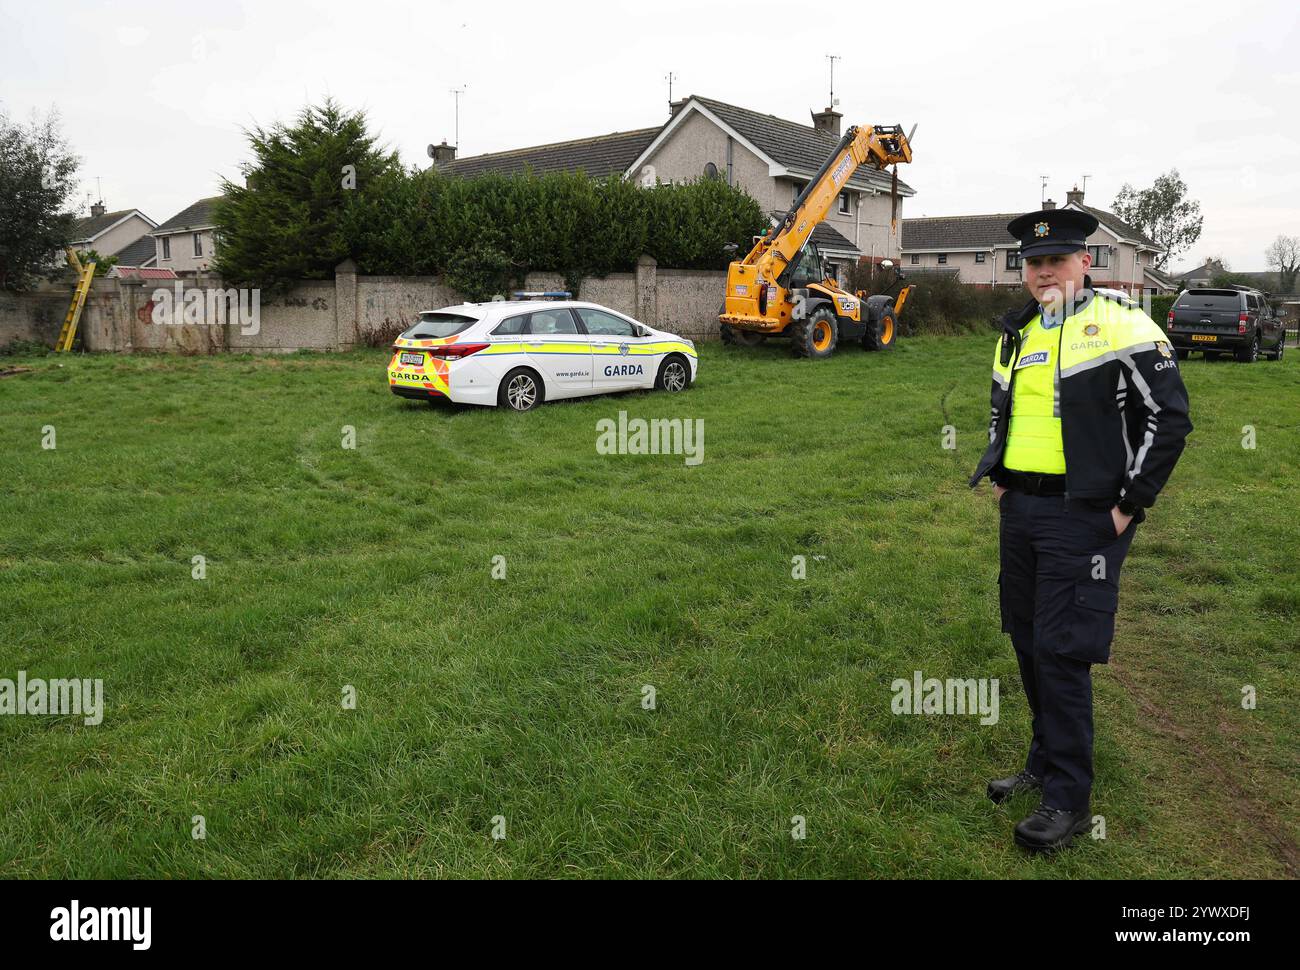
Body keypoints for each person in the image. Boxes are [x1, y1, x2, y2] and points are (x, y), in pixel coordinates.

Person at [969, 207, 1193, 852]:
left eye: (1056, 261)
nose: (1044, 273)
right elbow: (1002, 409)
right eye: (1034, 264)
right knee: (1029, 639)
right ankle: (1043, 761)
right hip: (1025, 510)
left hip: (1086, 515)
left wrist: (1128, 506)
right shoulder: (1016, 333)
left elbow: (1169, 422)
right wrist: (1003, 474)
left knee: (1064, 651)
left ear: (1084, 263)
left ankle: (1068, 798)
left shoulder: (1124, 326)